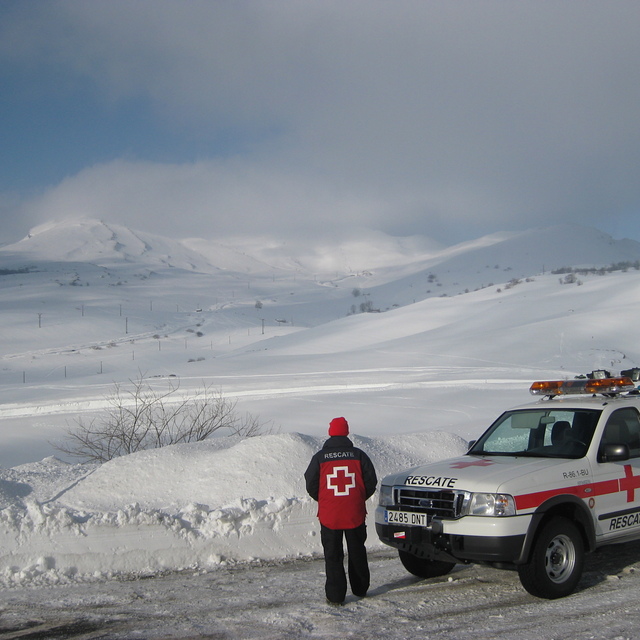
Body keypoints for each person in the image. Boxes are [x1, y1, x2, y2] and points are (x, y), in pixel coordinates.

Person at [304, 416, 378, 605]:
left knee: (333, 554)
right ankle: (361, 589)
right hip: (355, 513)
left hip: (330, 515)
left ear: (330, 433)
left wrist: (325, 500)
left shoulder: (320, 457)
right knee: (357, 551)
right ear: (346, 432)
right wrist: (358, 498)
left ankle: (335, 596)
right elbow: (371, 482)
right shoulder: (359, 455)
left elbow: (311, 484)